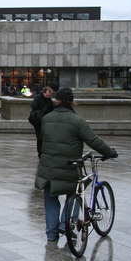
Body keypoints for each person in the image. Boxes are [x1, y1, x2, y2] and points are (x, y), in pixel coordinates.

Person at [35, 87, 118, 242]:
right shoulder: (77, 121)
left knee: (50, 198)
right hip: (69, 166)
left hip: (48, 167)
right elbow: (93, 141)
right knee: (75, 192)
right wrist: (110, 152)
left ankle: (51, 234)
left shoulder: (46, 119)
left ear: (57, 101)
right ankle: (65, 224)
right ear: (72, 102)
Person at [28, 86, 54, 157]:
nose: (48, 96)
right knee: (40, 137)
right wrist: (42, 111)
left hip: (46, 121)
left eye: (49, 95)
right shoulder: (37, 98)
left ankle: (44, 151)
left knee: (45, 137)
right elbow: (34, 107)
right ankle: (40, 153)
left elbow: (52, 108)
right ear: (44, 92)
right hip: (38, 121)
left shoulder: (49, 100)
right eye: (47, 95)